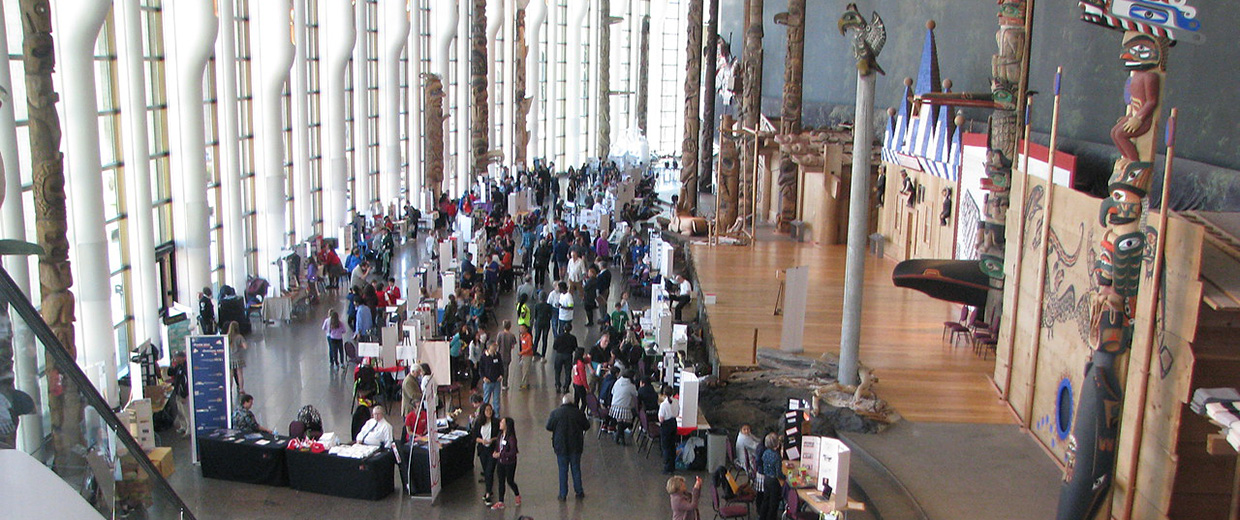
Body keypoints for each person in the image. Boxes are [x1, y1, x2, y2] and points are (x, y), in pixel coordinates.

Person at [546, 394, 591, 501]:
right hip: (576, 446)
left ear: (563, 402)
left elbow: (548, 426)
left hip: (561, 446)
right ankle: (579, 491)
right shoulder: (578, 413)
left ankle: (563, 494)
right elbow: (587, 426)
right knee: (576, 469)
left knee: (563, 470)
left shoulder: (555, 413)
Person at [471, 403, 501, 505]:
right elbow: (474, 436)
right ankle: (489, 490)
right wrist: (482, 441)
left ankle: (488, 493)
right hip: (483, 450)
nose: (489, 412)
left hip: (492, 449)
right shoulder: (479, 423)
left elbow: (500, 435)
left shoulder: (496, 422)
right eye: (487, 410)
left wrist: (493, 439)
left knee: (489, 471)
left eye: (490, 410)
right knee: (486, 469)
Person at [490, 416, 521, 510]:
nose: (500, 424)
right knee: (501, 481)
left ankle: (517, 494)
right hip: (500, 462)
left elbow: (513, 451)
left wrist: (501, 454)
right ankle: (501, 501)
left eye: (502, 423)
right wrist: (495, 452)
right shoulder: (500, 435)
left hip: (509, 463)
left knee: (510, 480)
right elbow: (498, 446)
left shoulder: (511, 438)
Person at [756, 433, 784, 520]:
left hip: (766, 479)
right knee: (773, 503)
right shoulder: (777, 456)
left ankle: (762, 516)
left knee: (766, 500)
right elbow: (778, 472)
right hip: (773, 481)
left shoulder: (765, 453)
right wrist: (785, 477)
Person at [609, 370, 638, 445]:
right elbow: (636, 394)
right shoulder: (631, 386)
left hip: (614, 406)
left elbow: (612, 392)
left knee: (620, 422)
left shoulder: (617, 382)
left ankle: (619, 436)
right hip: (624, 407)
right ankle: (619, 435)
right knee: (629, 422)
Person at [166, 351, 190, 436]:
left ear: (182, 358)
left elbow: (185, 382)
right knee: (180, 411)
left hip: (183, 394)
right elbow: (170, 373)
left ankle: (189, 429)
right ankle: (183, 426)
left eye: (177, 358)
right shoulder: (178, 366)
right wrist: (172, 365)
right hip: (178, 392)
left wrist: (184, 395)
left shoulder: (186, 368)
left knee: (186, 411)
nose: (176, 359)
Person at [479, 342, 504, 415]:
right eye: (494, 346)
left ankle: (496, 415)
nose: (495, 347)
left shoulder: (497, 355)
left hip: (496, 381)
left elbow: (501, 366)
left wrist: (501, 375)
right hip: (488, 382)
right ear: (489, 347)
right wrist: (483, 378)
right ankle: (484, 414)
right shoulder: (483, 357)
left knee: (496, 400)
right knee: (486, 399)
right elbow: (481, 369)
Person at [552, 323, 578, 394]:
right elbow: (575, 347)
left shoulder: (558, 337)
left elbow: (554, 347)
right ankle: (566, 386)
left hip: (559, 355)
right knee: (568, 372)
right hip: (568, 356)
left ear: (564, 328)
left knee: (557, 371)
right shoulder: (573, 338)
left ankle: (557, 385)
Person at [659, 387, 679, 474]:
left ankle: (667, 468)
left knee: (666, 447)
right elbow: (677, 413)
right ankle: (673, 466)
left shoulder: (663, 405)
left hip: (666, 425)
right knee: (672, 445)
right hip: (674, 423)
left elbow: (661, 419)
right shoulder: (676, 402)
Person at [227, 322, 248, 394]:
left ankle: (229, 389)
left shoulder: (227, 337)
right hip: (238, 357)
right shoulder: (239, 337)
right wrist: (240, 346)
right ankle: (241, 389)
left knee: (230, 374)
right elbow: (245, 347)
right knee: (239, 373)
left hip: (230, 358)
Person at [496, 320, 517, 391]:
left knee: (498, 369)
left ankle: (498, 382)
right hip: (507, 355)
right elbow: (513, 345)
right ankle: (504, 384)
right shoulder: (512, 335)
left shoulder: (500, 334)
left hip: (500, 354)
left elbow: (497, 343)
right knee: (506, 370)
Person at [532, 290, 554, 359]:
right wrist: (548, 319)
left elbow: (535, 315)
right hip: (546, 323)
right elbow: (551, 315)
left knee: (536, 338)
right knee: (545, 339)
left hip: (538, 322)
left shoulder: (537, 305)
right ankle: (543, 356)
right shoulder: (549, 306)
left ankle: (534, 353)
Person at [516, 324, 534, 389]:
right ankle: (526, 382)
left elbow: (529, 347)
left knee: (525, 370)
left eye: (522, 328)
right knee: (524, 369)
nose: (521, 330)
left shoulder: (528, 337)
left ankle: (524, 383)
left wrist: (522, 353)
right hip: (524, 355)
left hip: (527, 355)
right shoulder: (522, 336)